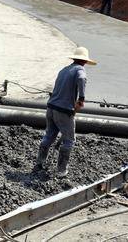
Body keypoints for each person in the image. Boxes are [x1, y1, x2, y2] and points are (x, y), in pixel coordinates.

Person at [33, 47, 97, 177]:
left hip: (51, 107)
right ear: (84, 61)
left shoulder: (64, 70)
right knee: (69, 141)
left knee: (49, 135)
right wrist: (81, 99)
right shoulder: (80, 70)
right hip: (64, 111)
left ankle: (40, 163)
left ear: (74, 58)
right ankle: (61, 171)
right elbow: (82, 79)